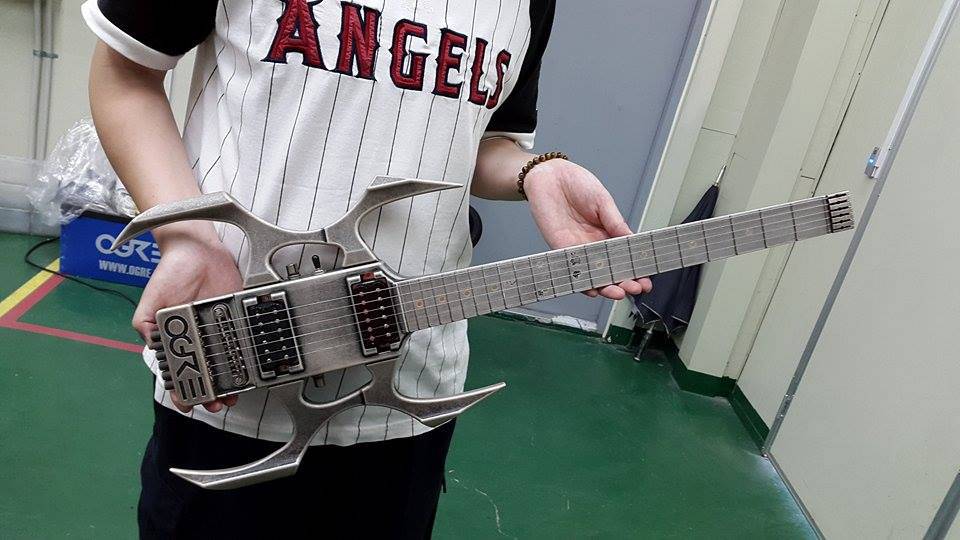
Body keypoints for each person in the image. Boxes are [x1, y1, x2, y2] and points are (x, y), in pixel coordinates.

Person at [84, 0, 652, 537]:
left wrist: (536, 172)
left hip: (410, 391)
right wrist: (188, 239)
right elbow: (125, 74)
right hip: (235, 366)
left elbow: (482, 143)